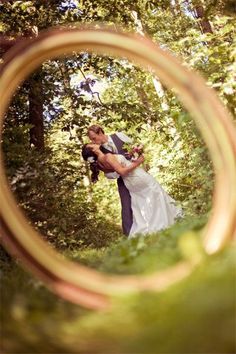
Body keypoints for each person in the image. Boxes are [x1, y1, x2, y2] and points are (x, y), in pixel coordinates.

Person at [82, 143, 183, 238]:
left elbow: (117, 169)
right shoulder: (107, 156)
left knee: (143, 202)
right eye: (92, 144)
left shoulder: (99, 163)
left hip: (130, 183)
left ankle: (154, 226)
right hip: (137, 177)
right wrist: (138, 161)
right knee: (156, 194)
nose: (94, 143)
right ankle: (167, 222)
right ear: (93, 150)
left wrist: (131, 158)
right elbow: (121, 171)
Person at [87, 125, 133, 236]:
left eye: (94, 138)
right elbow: (110, 175)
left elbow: (136, 150)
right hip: (123, 179)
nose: (93, 141)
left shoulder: (120, 136)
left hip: (137, 173)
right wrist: (115, 169)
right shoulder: (98, 152)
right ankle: (129, 236)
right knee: (126, 206)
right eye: (91, 140)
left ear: (100, 132)